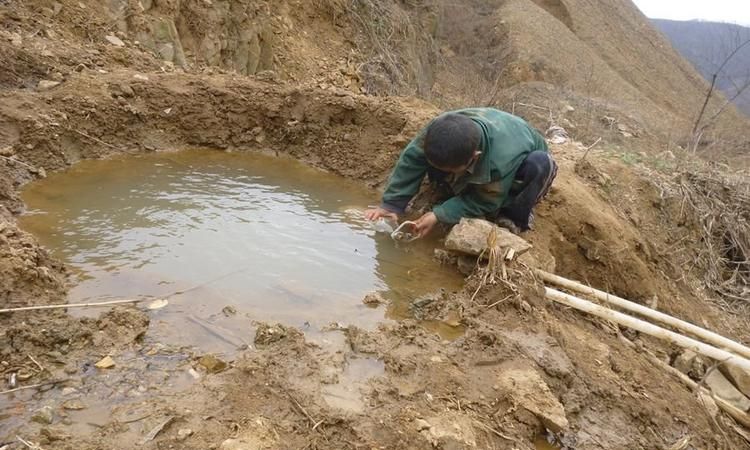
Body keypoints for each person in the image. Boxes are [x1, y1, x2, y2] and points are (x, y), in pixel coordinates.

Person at [365, 108, 556, 237]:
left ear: (475, 156)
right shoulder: (438, 128)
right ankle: (450, 183)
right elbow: (412, 159)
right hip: (484, 138)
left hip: (524, 158)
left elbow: (486, 201)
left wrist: (440, 214)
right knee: (441, 164)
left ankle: (514, 217)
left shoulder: (499, 163)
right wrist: (392, 205)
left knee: (538, 165)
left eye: (451, 171)